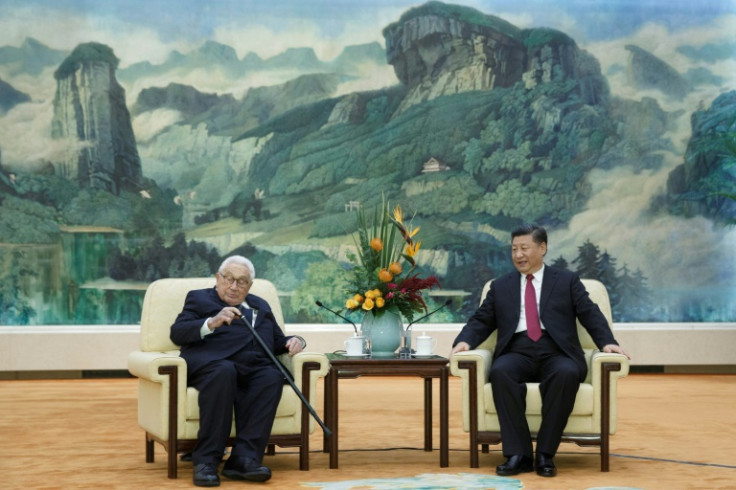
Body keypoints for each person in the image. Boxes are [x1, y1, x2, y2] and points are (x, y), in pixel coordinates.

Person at [450, 224, 630, 478]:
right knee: (501, 372)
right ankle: (518, 454)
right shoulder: (501, 286)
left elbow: (589, 313)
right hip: (517, 349)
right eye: (514, 249)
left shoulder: (566, 281)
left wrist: (607, 342)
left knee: (566, 373)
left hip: (556, 350)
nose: (518, 255)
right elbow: (482, 320)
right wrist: (464, 341)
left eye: (524, 248)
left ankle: (545, 454)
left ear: (542, 248)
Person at [170, 255, 306, 487]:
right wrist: (211, 322)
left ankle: (244, 459)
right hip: (213, 364)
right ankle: (206, 461)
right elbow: (177, 333)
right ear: (218, 278)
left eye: (242, 281)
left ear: (249, 285)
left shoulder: (260, 305)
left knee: (271, 376)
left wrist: (295, 340)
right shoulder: (199, 298)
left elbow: (274, 341)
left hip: (253, 367)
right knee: (224, 371)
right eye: (229, 279)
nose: (234, 286)